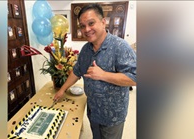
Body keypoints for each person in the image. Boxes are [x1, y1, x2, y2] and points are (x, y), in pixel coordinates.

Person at [54, 3, 136, 139]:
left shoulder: (120, 47)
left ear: (103, 22)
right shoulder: (86, 50)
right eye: (82, 26)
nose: (87, 29)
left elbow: (136, 77)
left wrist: (103, 75)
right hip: (93, 112)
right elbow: (77, 71)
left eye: (91, 23)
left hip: (112, 116)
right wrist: (62, 89)